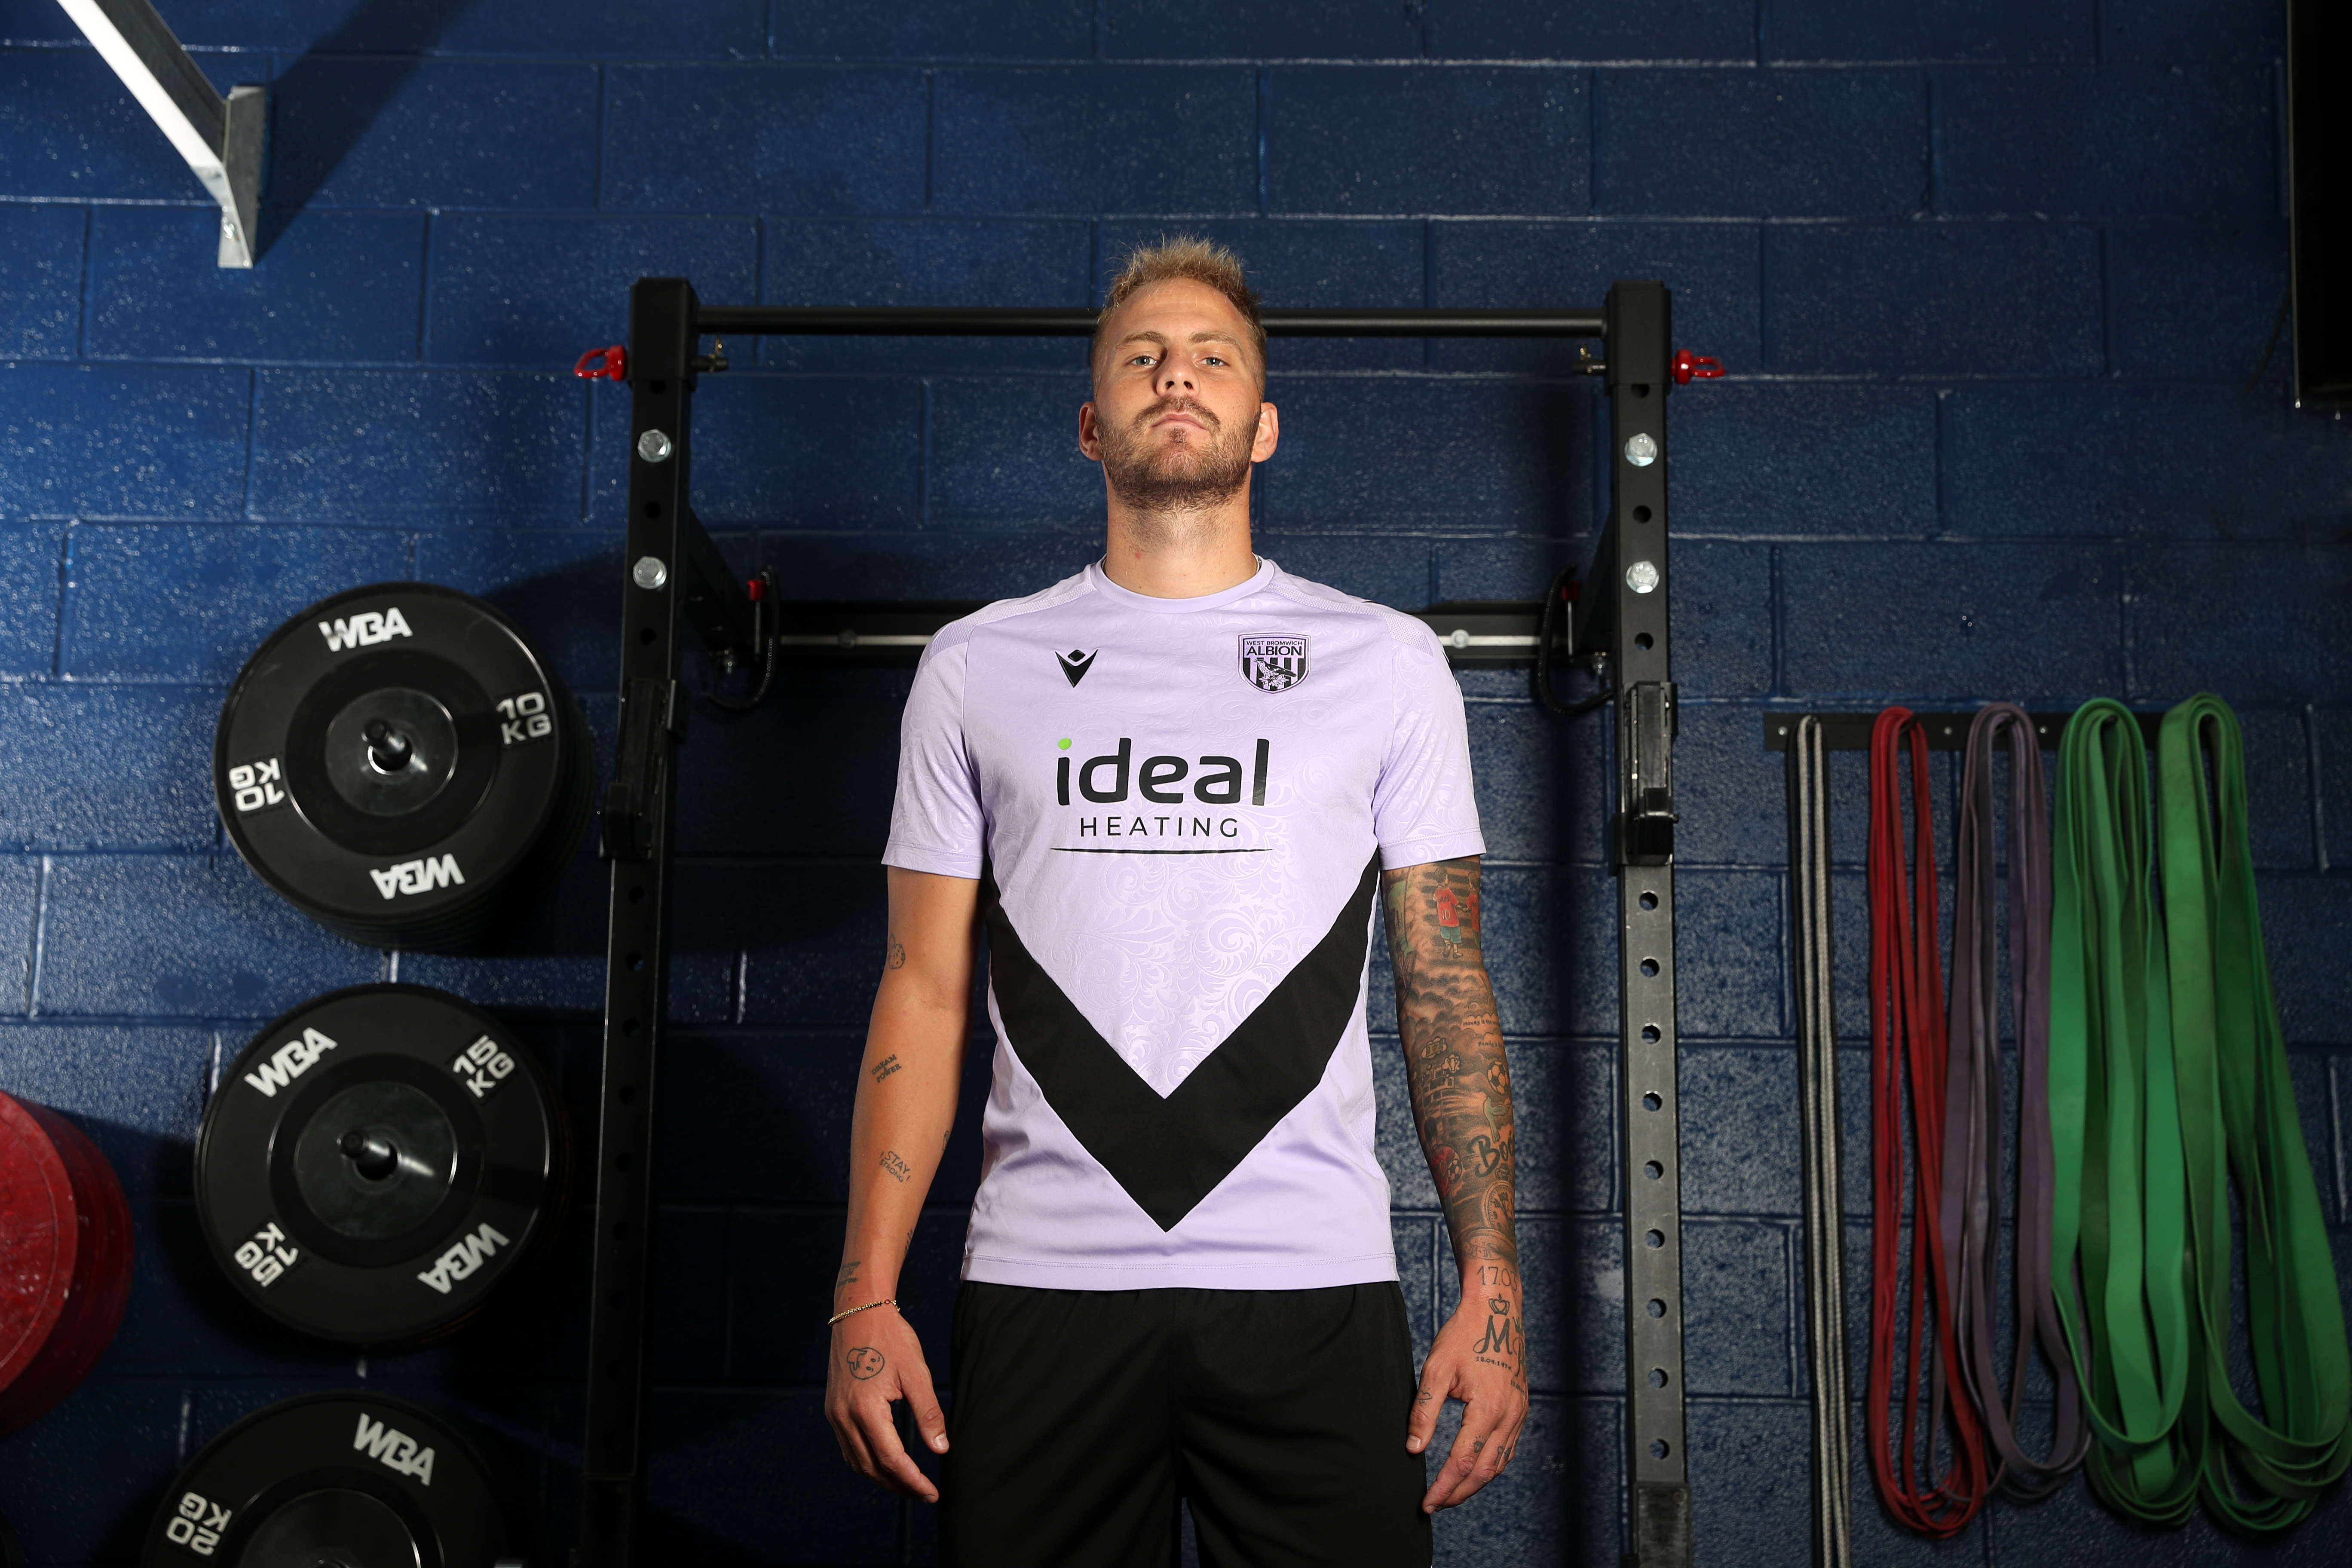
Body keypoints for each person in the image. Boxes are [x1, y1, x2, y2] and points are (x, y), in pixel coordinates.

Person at [822, 236, 1526, 1567]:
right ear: (1094, 425)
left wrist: (1491, 1283)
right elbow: (921, 987)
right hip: (1044, 1285)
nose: (1176, 376)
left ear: (1263, 426)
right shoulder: (978, 668)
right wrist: (864, 1294)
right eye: (1141, 358)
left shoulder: (1387, 663)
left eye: (1213, 357)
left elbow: (1445, 982)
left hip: (1311, 1283)